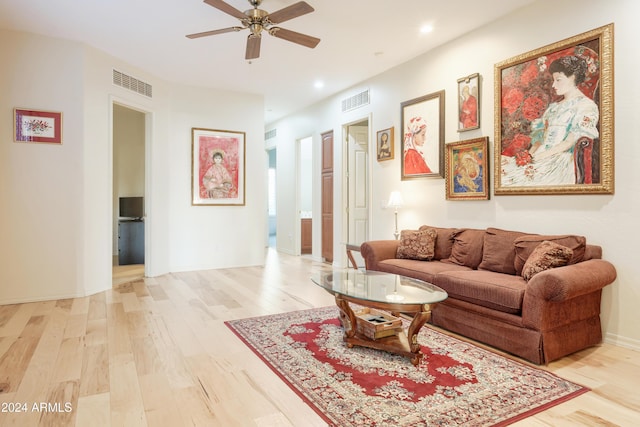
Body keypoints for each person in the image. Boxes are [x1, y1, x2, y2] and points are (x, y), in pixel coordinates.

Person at [501, 55, 599, 186]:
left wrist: (540, 157)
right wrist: (528, 156)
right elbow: (539, 140)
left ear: (573, 78)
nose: (553, 85)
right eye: (553, 80)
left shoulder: (585, 106)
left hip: (559, 159)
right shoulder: (553, 108)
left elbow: (569, 142)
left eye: (558, 80)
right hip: (540, 155)